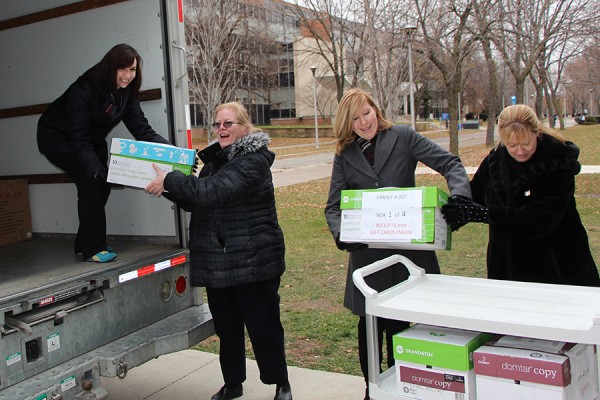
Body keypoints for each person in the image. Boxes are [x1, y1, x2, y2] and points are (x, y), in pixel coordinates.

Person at [324, 88, 472, 400]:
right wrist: (342, 235)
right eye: (355, 118)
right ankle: (372, 390)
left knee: (399, 328)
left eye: (367, 112)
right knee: (369, 328)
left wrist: (459, 199)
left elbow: (450, 164)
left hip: (408, 252)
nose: (364, 121)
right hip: (367, 256)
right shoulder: (345, 153)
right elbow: (333, 206)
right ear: (346, 123)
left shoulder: (403, 136)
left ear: (375, 108)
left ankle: (404, 389)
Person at [145, 102, 292, 400]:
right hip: (219, 260)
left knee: (264, 328)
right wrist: (167, 188)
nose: (222, 129)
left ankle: (281, 383)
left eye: (229, 123)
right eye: (217, 124)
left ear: (244, 128)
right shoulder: (215, 163)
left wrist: (171, 178)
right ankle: (233, 383)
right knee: (228, 330)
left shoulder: (253, 161)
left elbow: (214, 192)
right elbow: (200, 200)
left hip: (253, 260)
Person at [37, 43, 169, 263]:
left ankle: (83, 242)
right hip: (58, 138)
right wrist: (96, 171)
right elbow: (78, 137)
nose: (128, 75)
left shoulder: (127, 93)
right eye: (123, 69)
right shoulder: (85, 89)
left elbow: (143, 130)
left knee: (102, 186)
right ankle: (93, 249)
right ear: (111, 67)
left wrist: (171, 152)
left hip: (89, 139)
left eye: (133, 69)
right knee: (92, 182)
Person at [442, 104, 600, 286]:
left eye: (526, 143)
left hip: (555, 263)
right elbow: (474, 194)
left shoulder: (557, 163)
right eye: (512, 145)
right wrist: (449, 214)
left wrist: (484, 214)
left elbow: (541, 218)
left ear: (536, 133)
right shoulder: (495, 161)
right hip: (506, 264)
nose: (520, 151)